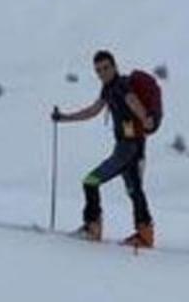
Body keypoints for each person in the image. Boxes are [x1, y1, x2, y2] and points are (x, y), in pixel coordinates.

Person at [52, 50, 156, 248]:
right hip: (130, 147)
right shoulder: (108, 89)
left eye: (106, 68)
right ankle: (145, 234)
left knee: (91, 181)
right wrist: (65, 118)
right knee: (135, 191)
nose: (102, 73)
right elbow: (92, 111)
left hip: (128, 149)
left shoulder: (121, 87)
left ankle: (93, 228)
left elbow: (134, 102)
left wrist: (146, 119)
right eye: (98, 70)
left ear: (115, 66)